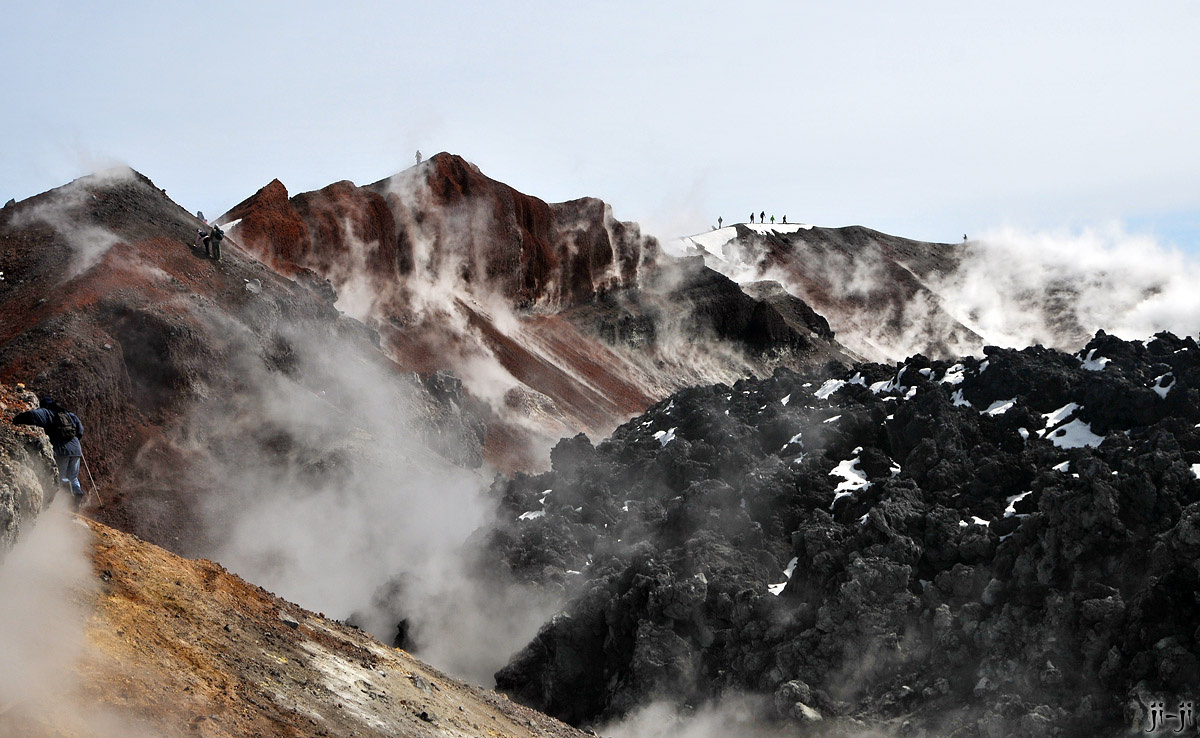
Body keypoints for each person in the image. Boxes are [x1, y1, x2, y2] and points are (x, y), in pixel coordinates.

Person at [13, 396, 85, 508]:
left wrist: (15, 419)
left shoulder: (46, 412)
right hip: (76, 449)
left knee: (60, 478)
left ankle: (61, 503)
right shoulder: (68, 414)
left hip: (61, 451)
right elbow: (80, 430)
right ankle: (77, 494)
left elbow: (32, 415)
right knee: (73, 476)